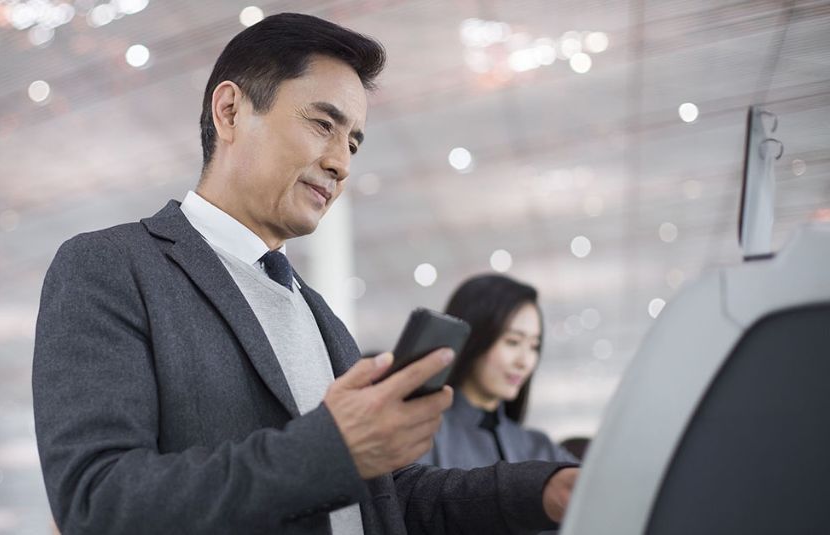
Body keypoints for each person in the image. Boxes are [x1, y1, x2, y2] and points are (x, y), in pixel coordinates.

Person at [32, 13, 577, 534]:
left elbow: (388, 502)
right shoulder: (112, 268)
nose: (342, 162)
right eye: (323, 125)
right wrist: (332, 448)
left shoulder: (319, 316)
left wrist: (542, 491)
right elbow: (96, 501)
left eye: (354, 142)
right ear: (229, 111)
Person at [419, 275, 579, 470]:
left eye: (533, 346)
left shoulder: (540, 447)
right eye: (513, 342)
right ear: (474, 339)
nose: (524, 361)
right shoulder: (425, 432)